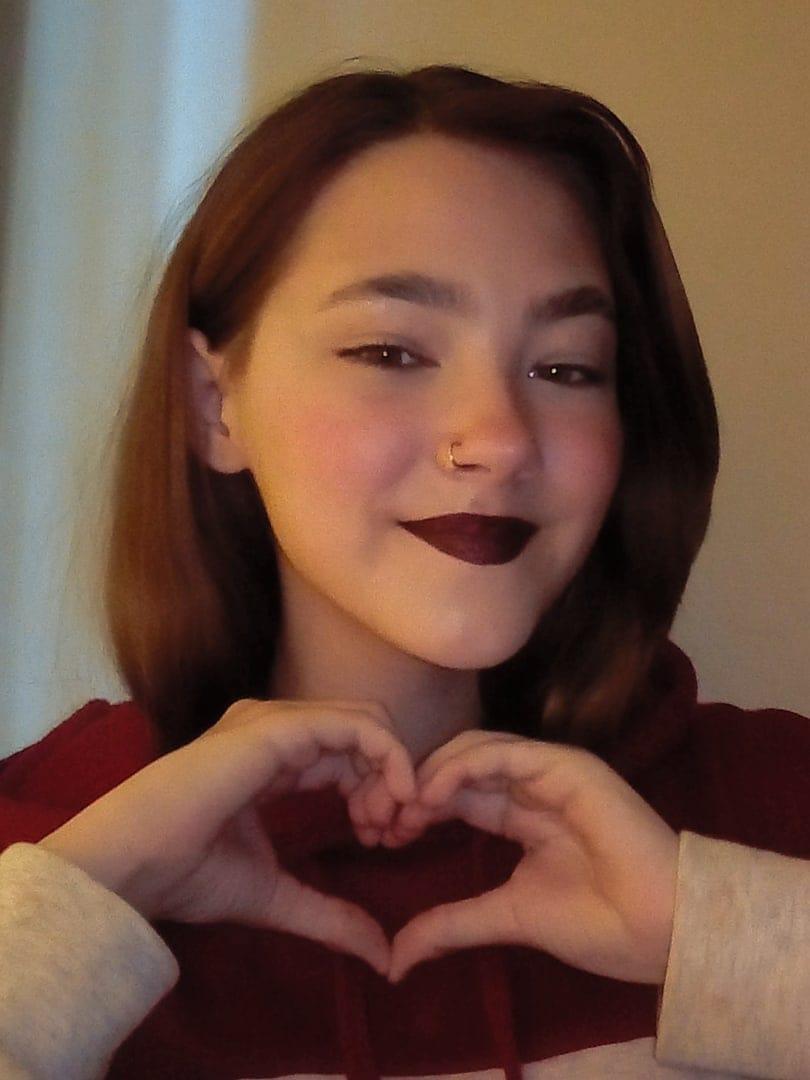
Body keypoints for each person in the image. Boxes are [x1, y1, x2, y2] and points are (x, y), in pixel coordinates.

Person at [0, 63, 808, 1080]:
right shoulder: (42, 843)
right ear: (214, 406)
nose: (499, 438)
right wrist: (75, 909)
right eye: (390, 353)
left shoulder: (777, 807)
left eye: (565, 368)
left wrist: (733, 943)